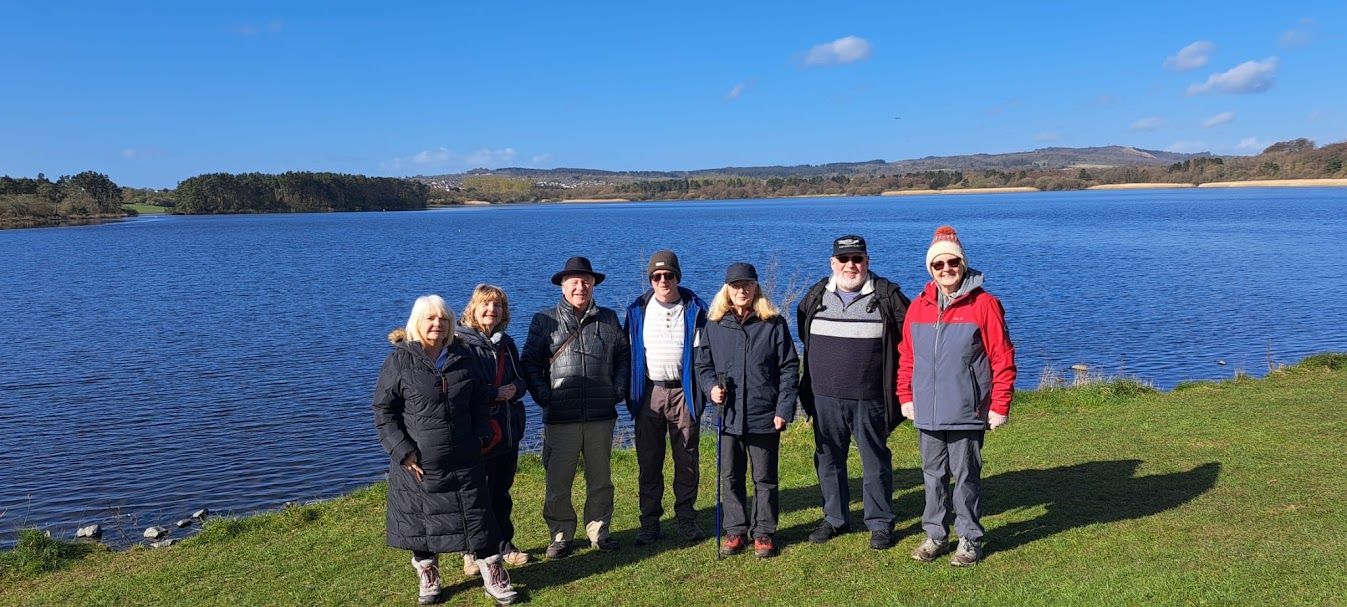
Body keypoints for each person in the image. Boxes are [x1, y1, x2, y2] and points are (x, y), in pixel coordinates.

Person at [372, 295, 518, 605]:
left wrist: (480, 436)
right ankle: (428, 573)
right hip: (419, 464)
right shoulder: (399, 361)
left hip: (465, 458)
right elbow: (384, 412)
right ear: (417, 323)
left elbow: (479, 400)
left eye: (443, 319)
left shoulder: (462, 357)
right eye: (430, 318)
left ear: (451, 324)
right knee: (420, 522)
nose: (437, 324)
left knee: (479, 518)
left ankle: (492, 572)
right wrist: (403, 451)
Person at [898, 226, 1017, 567]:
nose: (946, 269)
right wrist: (905, 394)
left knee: (966, 478)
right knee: (932, 476)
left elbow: (1002, 357)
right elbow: (907, 355)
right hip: (927, 411)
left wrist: (999, 404)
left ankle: (969, 538)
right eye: (939, 264)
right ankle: (935, 535)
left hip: (967, 409)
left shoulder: (985, 304)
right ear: (930, 269)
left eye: (953, 262)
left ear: (963, 264)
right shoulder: (918, 307)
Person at [796, 235, 910, 549]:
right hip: (824, 397)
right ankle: (835, 518)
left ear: (867, 261)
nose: (851, 265)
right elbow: (804, 331)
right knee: (828, 459)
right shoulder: (816, 295)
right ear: (833, 263)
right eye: (844, 260)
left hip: (870, 398)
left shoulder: (888, 296)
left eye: (857, 259)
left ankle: (880, 523)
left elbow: (910, 342)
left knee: (874, 461)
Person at [521, 256, 631, 559]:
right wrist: (545, 396)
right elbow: (529, 363)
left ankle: (599, 531)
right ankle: (560, 536)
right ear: (562, 286)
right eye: (573, 281)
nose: (580, 286)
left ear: (593, 284)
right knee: (558, 482)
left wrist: (618, 390)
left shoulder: (608, 318)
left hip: (600, 415)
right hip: (560, 417)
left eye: (585, 281)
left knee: (601, 479)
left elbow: (624, 357)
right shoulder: (544, 320)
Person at [694, 263, 799, 559]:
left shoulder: (773, 323)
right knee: (730, 476)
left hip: (764, 413)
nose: (742, 290)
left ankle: (764, 531)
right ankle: (735, 530)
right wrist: (711, 387)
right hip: (728, 415)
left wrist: (784, 408)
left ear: (756, 288)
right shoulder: (713, 324)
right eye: (736, 285)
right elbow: (703, 365)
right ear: (727, 289)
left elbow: (789, 367)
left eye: (747, 285)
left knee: (764, 478)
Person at [624, 250, 710, 545]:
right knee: (649, 462)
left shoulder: (696, 308)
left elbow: (706, 353)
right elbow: (628, 356)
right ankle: (650, 523)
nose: (663, 281)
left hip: (684, 393)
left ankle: (687, 519)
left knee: (686, 459)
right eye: (657, 276)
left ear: (677, 277)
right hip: (650, 392)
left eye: (668, 275)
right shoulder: (637, 310)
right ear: (650, 279)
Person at [456, 285, 530, 574]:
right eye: (486, 305)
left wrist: (515, 389)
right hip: (477, 433)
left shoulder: (507, 344)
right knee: (476, 495)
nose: (491, 311)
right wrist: (494, 392)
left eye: (497, 306)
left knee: (501, 492)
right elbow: (460, 387)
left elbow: (522, 379)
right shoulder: (461, 344)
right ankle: (471, 551)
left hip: (508, 431)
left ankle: (504, 544)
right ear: (473, 309)